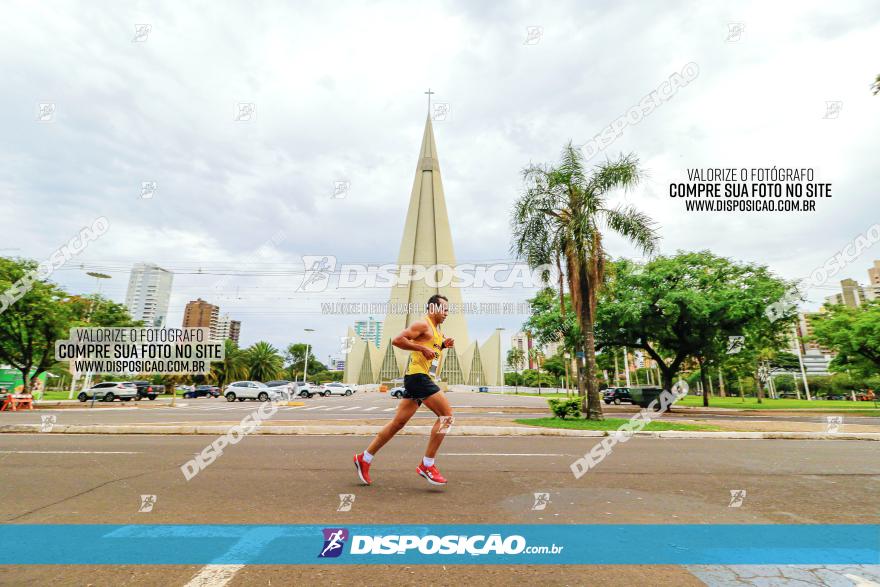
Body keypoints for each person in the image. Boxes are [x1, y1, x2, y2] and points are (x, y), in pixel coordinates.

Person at [354, 294, 455, 486]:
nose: (447, 313)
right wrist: (421, 349)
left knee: (397, 423)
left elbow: (431, 350)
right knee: (446, 417)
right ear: (433, 309)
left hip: (419, 379)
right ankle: (427, 465)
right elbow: (397, 340)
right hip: (418, 378)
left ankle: (364, 458)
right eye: (444, 309)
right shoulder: (422, 324)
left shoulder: (437, 331)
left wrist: (443, 345)